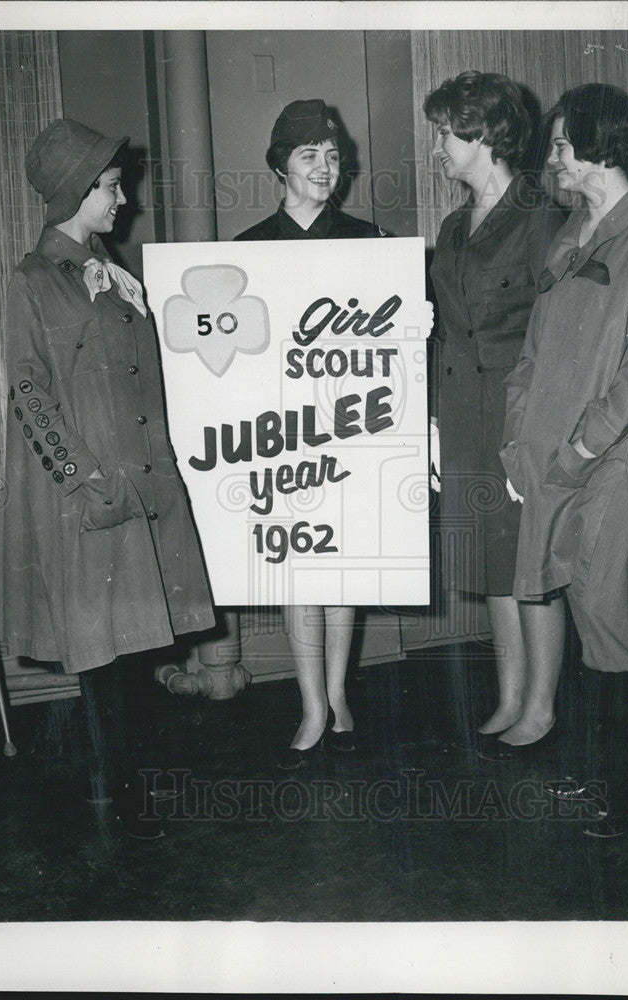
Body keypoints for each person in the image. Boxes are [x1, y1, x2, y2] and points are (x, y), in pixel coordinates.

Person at [3, 119, 216, 835]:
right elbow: (29, 396)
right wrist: (83, 480)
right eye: (109, 186)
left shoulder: (116, 278)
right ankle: (112, 792)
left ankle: (128, 787)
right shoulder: (34, 282)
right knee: (100, 657)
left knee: (136, 650)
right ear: (74, 192)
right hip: (92, 498)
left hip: (144, 491)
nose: (122, 198)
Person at [500, 84, 628, 836]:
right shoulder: (574, 233)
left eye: (560, 146)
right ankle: (598, 779)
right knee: (587, 623)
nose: (551, 160)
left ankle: (626, 798)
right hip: (552, 468)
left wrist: (584, 443)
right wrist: (518, 438)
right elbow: (534, 347)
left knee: (623, 632)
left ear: (601, 149)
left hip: (612, 470)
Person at [235, 99, 386, 768]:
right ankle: (310, 705)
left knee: (343, 572)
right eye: (308, 157)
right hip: (282, 437)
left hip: (349, 431)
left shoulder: (368, 240)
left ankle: (337, 693)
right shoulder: (247, 251)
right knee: (302, 574)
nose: (325, 169)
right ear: (279, 166)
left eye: (332, 157)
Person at [425, 70, 566, 758]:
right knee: (491, 564)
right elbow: (446, 332)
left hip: (520, 415)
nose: (438, 149)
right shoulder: (453, 227)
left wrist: (537, 430)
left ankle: (540, 705)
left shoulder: (544, 217)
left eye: (445, 134)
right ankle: (510, 694)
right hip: (462, 414)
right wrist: (430, 419)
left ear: (483, 136)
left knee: (530, 564)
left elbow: (560, 335)